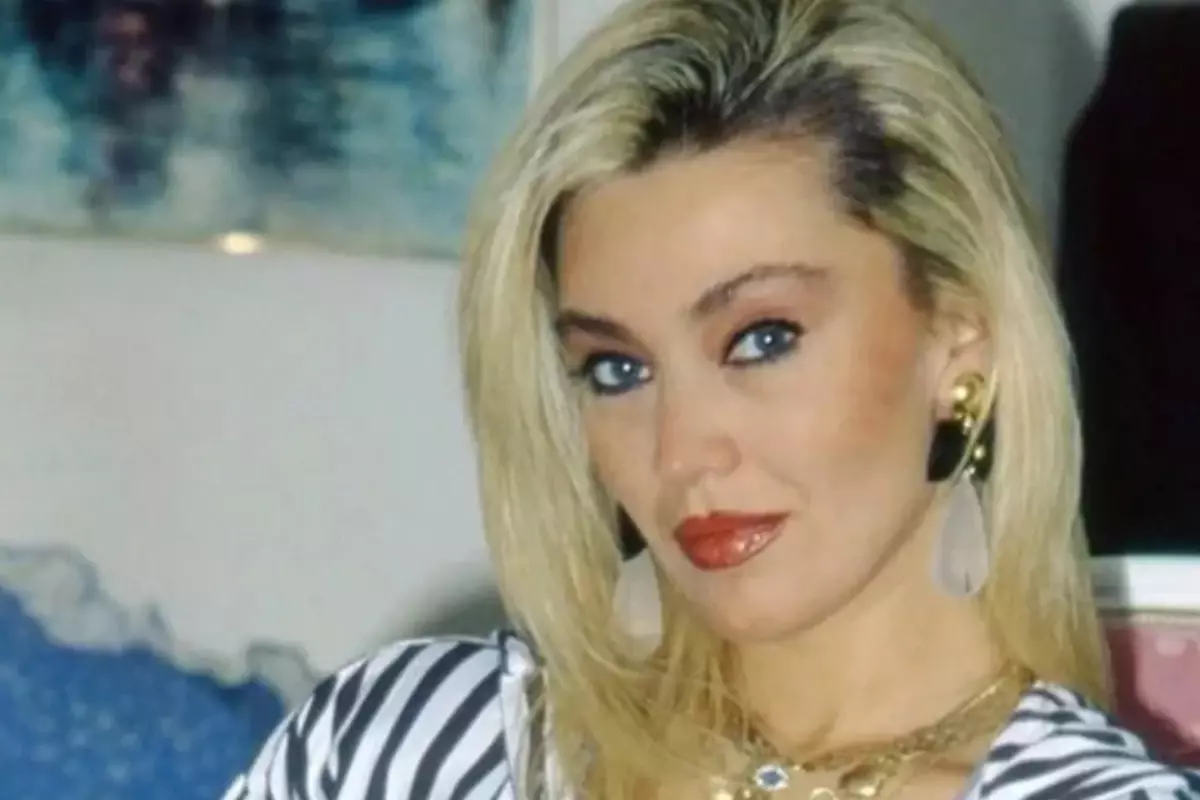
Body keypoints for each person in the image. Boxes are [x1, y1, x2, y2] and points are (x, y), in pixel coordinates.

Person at [223, 0, 1200, 798]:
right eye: (619, 369)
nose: (682, 450)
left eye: (761, 339)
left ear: (959, 338)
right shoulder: (410, 747)